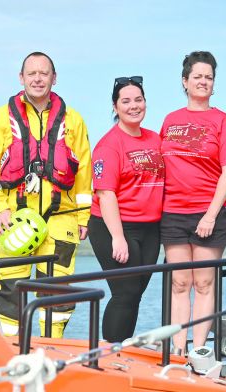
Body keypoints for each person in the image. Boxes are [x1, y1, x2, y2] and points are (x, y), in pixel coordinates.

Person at [0, 52, 91, 337]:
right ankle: (10, 354)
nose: (38, 79)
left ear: (54, 78)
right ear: (21, 78)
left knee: (57, 292)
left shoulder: (74, 120)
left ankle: (51, 352)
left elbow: (84, 171)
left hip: (61, 219)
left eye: (44, 73)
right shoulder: (1, 118)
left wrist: (83, 217)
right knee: (9, 290)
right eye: (32, 73)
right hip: (14, 218)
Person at [160, 51, 226, 354]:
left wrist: (209, 215)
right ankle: (178, 350)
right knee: (179, 284)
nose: (203, 82)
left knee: (205, 284)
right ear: (185, 81)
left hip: (210, 213)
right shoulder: (171, 120)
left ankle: (198, 351)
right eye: (197, 77)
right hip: (173, 212)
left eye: (208, 77)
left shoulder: (222, 121)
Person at [87, 76, 164, 343]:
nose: (134, 106)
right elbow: (106, 194)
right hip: (113, 226)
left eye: (139, 100)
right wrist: (118, 237)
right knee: (125, 292)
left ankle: (122, 350)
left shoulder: (155, 140)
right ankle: (109, 351)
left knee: (136, 292)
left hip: (150, 228)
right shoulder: (109, 145)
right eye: (126, 101)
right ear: (115, 106)